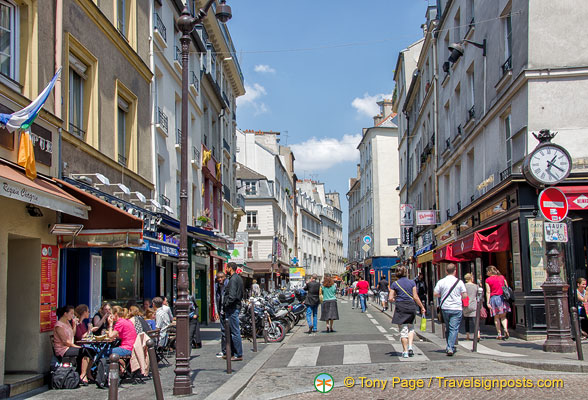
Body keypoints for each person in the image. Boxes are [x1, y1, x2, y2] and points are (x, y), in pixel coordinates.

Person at [389, 267, 426, 358]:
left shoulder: (395, 284)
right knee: (411, 328)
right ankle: (410, 347)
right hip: (411, 306)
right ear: (406, 273)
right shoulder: (412, 282)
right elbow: (415, 297)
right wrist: (422, 307)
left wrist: (395, 298)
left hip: (401, 308)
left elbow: (390, 298)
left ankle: (405, 351)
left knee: (403, 330)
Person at [434, 263, 467, 356]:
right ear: (455, 271)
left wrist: (442, 294)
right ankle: (450, 347)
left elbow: (435, 294)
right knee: (454, 328)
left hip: (445, 307)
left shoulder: (441, 282)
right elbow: (464, 295)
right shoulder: (459, 282)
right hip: (456, 308)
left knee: (448, 327)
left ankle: (450, 345)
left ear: (446, 271)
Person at [54, 306, 93, 385]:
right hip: (63, 349)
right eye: (71, 313)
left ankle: (88, 373)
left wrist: (74, 325)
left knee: (91, 351)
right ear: (65, 314)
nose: (73, 315)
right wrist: (76, 346)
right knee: (85, 352)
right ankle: (83, 375)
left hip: (70, 346)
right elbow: (65, 342)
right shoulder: (59, 325)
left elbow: (73, 334)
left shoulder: (67, 322)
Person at [223, 262, 244, 361]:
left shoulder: (233, 280)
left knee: (234, 331)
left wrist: (226, 304)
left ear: (230, 268)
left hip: (232, 308)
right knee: (232, 331)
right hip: (235, 306)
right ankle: (232, 353)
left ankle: (238, 354)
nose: (226, 269)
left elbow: (232, 295)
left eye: (227, 268)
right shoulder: (239, 278)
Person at [485, 265, 511, 340]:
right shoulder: (502, 277)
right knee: (503, 316)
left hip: (494, 299)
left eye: (487, 271)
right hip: (502, 298)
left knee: (496, 317)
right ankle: (505, 329)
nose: (486, 273)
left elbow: (488, 291)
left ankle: (499, 333)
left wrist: (487, 302)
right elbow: (506, 287)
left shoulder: (488, 280)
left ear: (490, 272)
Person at [214, 271, 228, 358]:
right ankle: (225, 350)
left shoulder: (228, 284)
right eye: (218, 278)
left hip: (227, 311)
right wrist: (216, 311)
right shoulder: (217, 286)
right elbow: (216, 299)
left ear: (225, 277)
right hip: (221, 311)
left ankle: (228, 350)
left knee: (227, 331)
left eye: (221, 277)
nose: (220, 279)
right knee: (223, 331)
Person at [463, 273, 480, 341]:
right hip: (473, 304)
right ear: (471, 278)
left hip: (466, 304)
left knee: (466, 321)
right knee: (475, 320)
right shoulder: (476, 286)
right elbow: (479, 295)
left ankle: (467, 335)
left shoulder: (464, 286)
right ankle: (478, 333)